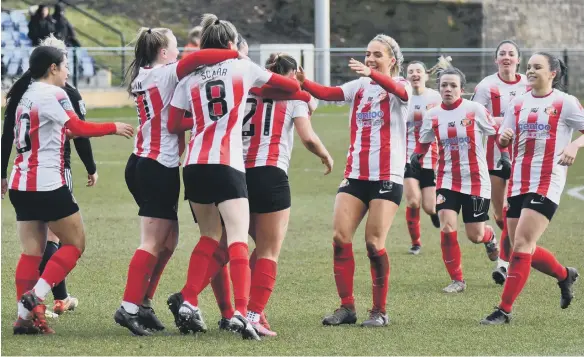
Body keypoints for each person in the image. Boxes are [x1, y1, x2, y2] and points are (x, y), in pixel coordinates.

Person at [167, 13, 300, 340]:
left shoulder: (188, 77)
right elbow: (290, 86)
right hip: (226, 161)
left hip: (194, 163)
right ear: (230, 43)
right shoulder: (242, 66)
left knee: (210, 237)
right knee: (238, 238)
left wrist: (203, 122)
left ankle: (189, 299)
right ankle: (243, 313)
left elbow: (173, 124)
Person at [113, 26, 241, 336]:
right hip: (157, 164)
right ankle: (129, 307)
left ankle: (143, 304)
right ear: (164, 53)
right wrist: (236, 55)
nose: (181, 55)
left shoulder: (145, 74)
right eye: (175, 48)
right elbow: (202, 57)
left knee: (168, 243)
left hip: (145, 162)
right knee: (154, 241)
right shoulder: (165, 72)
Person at [3, 45, 133, 335]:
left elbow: (61, 129)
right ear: (52, 68)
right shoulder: (54, 94)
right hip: (47, 184)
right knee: (75, 244)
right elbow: (77, 126)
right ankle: (36, 297)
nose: (68, 71)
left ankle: (23, 319)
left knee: (32, 252)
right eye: (64, 65)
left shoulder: (25, 95)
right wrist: (114, 126)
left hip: (21, 184)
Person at [297, 34, 410, 327]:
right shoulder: (359, 87)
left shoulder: (400, 88)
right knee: (339, 238)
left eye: (377, 54)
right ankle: (347, 307)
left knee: (373, 243)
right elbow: (327, 93)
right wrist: (304, 81)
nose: (370, 58)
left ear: (392, 61)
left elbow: (401, 91)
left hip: (387, 176)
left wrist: (373, 73)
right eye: (368, 53)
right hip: (356, 174)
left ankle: (379, 311)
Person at [480, 52, 582, 325]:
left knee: (523, 244)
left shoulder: (565, 102)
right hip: (518, 180)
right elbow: (504, 141)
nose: (531, 71)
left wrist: (574, 145)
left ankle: (504, 310)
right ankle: (564, 275)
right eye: (529, 67)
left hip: (548, 180)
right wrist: (504, 138)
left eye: (538, 67)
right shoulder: (518, 102)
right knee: (519, 247)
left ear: (553, 73)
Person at [240, 53, 332, 336]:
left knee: (242, 244)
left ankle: (240, 309)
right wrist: (325, 154)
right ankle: (252, 314)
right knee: (270, 250)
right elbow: (307, 136)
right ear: (293, 74)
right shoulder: (295, 97)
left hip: (238, 174)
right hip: (270, 174)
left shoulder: (247, 90)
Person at [411, 67, 501, 293]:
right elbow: (424, 141)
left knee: (475, 235)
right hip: (446, 179)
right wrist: (417, 155)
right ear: (439, 88)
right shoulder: (432, 115)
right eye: (443, 85)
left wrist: (506, 156)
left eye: (453, 86)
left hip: (476, 181)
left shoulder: (475, 109)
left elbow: (496, 133)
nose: (448, 89)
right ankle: (457, 280)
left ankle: (489, 237)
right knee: (447, 226)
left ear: (462, 89)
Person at [472, 40, 529, 284]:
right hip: (493, 159)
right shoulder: (487, 86)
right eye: (502, 54)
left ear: (518, 59)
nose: (506, 57)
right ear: (496, 60)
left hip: (523, 158)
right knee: (499, 216)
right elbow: (472, 116)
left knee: (511, 213)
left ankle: (504, 265)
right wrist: (503, 124)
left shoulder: (529, 83)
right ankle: (502, 247)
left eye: (511, 53)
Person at [403, 59, 448, 255]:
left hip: (431, 158)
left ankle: (433, 214)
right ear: (407, 77)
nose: (414, 74)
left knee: (430, 207)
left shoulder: (435, 97)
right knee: (413, 201)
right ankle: (416, 242)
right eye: (411, 71)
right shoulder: (402, 98)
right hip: (407, 157)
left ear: (425, 75)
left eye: (418, 71)